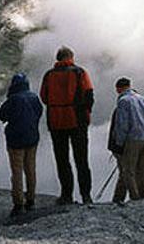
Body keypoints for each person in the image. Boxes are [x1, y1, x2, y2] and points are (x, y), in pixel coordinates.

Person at [40, 46, 95, 205]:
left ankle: (66, 195)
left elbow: (44, 97)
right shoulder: (80, 73)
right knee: (81, 160)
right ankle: (86, 195)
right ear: (71, 57)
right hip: (77, 121)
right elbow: (89, 94)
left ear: (58, 58)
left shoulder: (49, 75)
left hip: (56, 121)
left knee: (62, 160)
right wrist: (85, 113)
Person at [0, 73, 44, 216]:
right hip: (32, 137)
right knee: (30, 169)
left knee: (17, 172)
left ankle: (18, 203)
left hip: (15, 140)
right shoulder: (34, 97)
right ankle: (31, 199)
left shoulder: (13, 99)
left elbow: (2, 115)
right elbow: (39, 113)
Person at [108, 77, 144, 202]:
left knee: (128, 171)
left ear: (118, 89)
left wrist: (119, 144)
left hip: (132, 140)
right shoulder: (141, 98)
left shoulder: (123, 101)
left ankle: (135, 198)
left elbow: (122, 125)